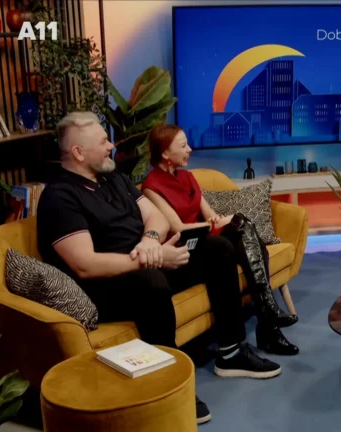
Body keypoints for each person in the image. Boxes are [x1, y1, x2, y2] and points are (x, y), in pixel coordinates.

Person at [36, 112, 282, 425]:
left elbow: (157, 218)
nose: (112, 146)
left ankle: (231, 352)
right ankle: (168, 385)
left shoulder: (115, 178)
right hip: (106, 284)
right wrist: (150, 259)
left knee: (217, 249)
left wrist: (151, 241)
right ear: (78, 152)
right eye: (103, 142)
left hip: (146, 260)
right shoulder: (60, 197)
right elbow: (85, 264)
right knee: (152, 283)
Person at [140, 123, 299, 356]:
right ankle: (269, 322)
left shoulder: (188, 177)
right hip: (185, 248)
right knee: (240, 226)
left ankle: (268, 318)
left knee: (243, 227)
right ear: (165, 153)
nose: (190, 149)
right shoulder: (150, 187)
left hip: (207, 239)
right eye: (183, 146)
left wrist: (217, 220)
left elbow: (209, 214)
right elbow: (178, 228)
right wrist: (218, 223)